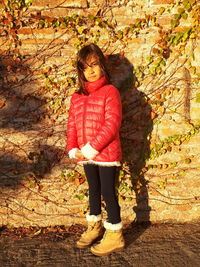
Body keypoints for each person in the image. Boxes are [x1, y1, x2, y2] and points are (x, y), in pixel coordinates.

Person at [66, 43, 124, 256]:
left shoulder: (111, 92)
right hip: (85, 154)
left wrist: (91, 148)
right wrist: (73, 148)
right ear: (80, 71)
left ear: (102, 66)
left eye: (94, 65)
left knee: (108, 192)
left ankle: (116, 234)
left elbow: (112, 124)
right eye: (84, 67)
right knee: (93, 191)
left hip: (106, 154)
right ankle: (95, 226)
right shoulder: (77, 96)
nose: (90, 71)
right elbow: (71, 124)